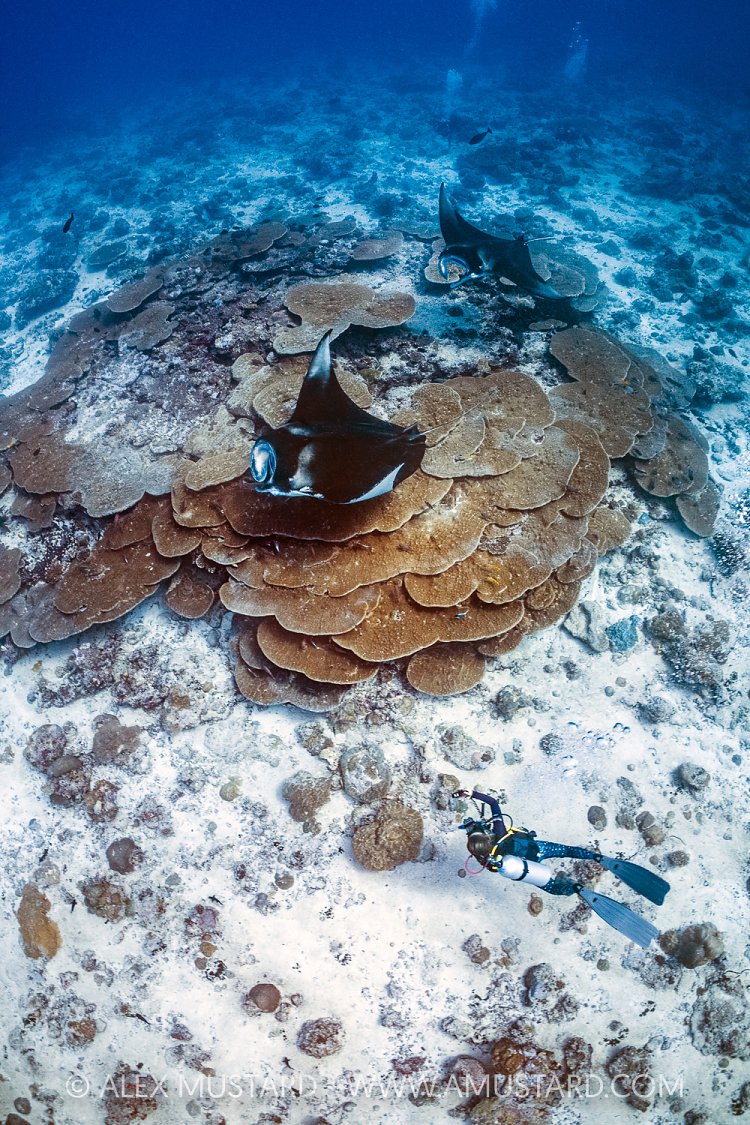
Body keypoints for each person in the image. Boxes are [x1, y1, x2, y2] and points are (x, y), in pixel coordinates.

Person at [452, 788, 670, 949]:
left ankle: (576, 888)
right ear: (485, 835)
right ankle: (597, 857)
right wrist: (471, 794)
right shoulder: (499, 831)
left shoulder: (489, 860)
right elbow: (493, 802)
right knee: (568, 851)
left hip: (529, 869)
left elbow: (490, 864)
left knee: (555, 888)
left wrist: (476, 839)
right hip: (539, 849)